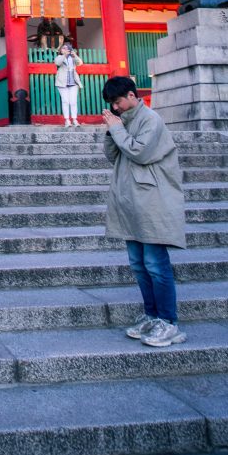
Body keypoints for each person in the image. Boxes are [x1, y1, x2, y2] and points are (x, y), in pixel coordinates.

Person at [101, 76, 187, 348]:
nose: (115, 108)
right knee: (139, 264)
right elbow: (114, 156)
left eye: (117, 101)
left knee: (155, 265)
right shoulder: (124, 121)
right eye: (112, 104)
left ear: (131, 95)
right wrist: (111, 132)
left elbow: (139, 152)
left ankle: (169, 321)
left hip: (152, 201)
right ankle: (152, 316)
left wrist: (118, 130)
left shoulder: (151, 120)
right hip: (131, 201)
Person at [54, 39, 83, 127]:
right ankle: (67, 120)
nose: (65, 50)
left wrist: (75, 56)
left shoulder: (73, 58)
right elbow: (57, 63)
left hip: (73, 83)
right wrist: (64, 55)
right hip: (62, 83)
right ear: (61, 50)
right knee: (65, 101)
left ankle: (74, 119)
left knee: (73, 102)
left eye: (67, 48)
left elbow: (80, 63)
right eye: (64, 48)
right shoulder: (59, 57)